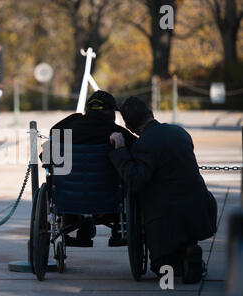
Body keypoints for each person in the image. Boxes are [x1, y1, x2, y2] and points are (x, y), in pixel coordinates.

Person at [109, 96, 217, 284]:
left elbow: (135, 181)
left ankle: (182, 261)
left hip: (166, 218)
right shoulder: (180, 133)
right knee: (177, 251)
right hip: (199, 207)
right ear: (151, 113)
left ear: (129, 128)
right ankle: (190, 252)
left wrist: (119, 150)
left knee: (164, 271)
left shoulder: (143, 145)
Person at [42, 90, 137, 247]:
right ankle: (119, 228)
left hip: (69, 200)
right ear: (110, 112)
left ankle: (81, 228)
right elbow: (137, 154)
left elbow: (47, 157)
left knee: (65, 172)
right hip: (109, 202)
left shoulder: (67, 128)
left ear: (87, 110)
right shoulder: (117, 133)